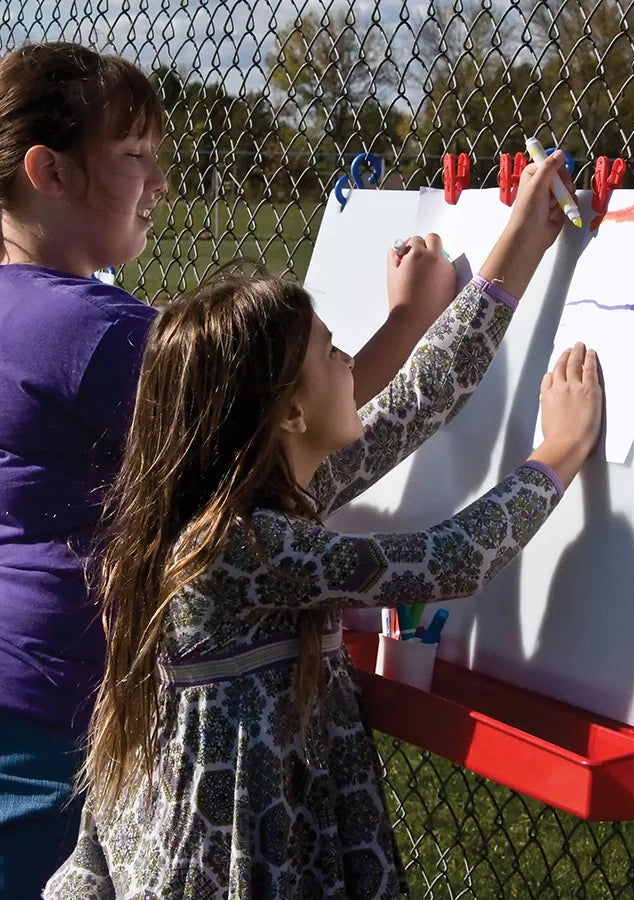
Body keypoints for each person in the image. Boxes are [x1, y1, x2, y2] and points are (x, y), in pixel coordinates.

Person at [45, 157, 602, 897]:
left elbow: (420, 398)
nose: (352, 365)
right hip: (218, 871)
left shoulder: (254, 494)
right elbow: (452, 560)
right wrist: (557, 452)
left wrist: (521, 244)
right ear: (290, 416)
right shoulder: (243, 546)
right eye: (333, 353)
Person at [0, 41, 458, 898]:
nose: (159, 182)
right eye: (134, 156)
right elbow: (286, 421)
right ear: (47, 171)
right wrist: (413, 319)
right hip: (67, 700)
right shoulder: (92, 332)